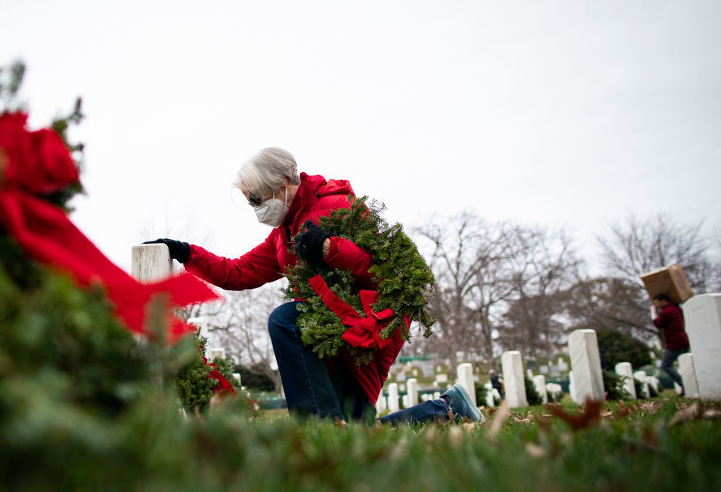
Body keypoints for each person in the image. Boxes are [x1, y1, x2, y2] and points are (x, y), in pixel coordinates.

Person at [147, 147, 482, 425]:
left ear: (282, 184)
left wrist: (330, 249)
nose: (256, 208)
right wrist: (186, 252)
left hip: (365, 328)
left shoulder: (335, 206)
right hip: (328, 339)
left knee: (285, 320)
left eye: (256, 199)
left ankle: (315, 424)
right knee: (355, 432)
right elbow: (239, 273)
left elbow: (383, 268)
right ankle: (449, 406)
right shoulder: (284, 233)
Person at [651, 293, 688, 393]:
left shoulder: (666, 312)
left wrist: (653, 313)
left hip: (674, 343)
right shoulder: (677, 308)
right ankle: (688, 385)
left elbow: (658, 324)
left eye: (656, 303)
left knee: (665, 365)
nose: (656, 305)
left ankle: (684, 385)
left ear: (663, 301)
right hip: (684, 340)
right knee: (688, 364)